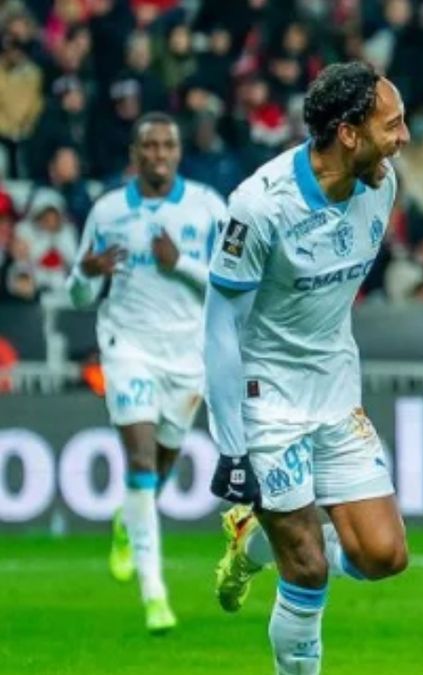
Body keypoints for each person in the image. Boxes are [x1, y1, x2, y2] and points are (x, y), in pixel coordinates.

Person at [203, 61, 410, 674]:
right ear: (348, 132)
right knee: (308, 568)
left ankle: (252, 541)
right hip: (266, 400)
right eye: (392, 125)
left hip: (336, 393)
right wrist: (232, 448)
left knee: (383, 555)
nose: (403, 138)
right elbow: (219, 326)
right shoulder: (260, 206)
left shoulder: (382, 185)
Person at [66, 111, 225, 633]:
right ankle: (155, 595)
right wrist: (87, 273)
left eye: (167, 145)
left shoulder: (207, 207)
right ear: (135, 155)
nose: (158, 154)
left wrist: (180, 263)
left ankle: (128, 519)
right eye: (149, 146)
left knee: (161, 461)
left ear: (178, 152)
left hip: (187, 353)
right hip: (127, 345)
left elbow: (232, 283)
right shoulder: (108, 210)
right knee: (138, 457)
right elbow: (78, 292)